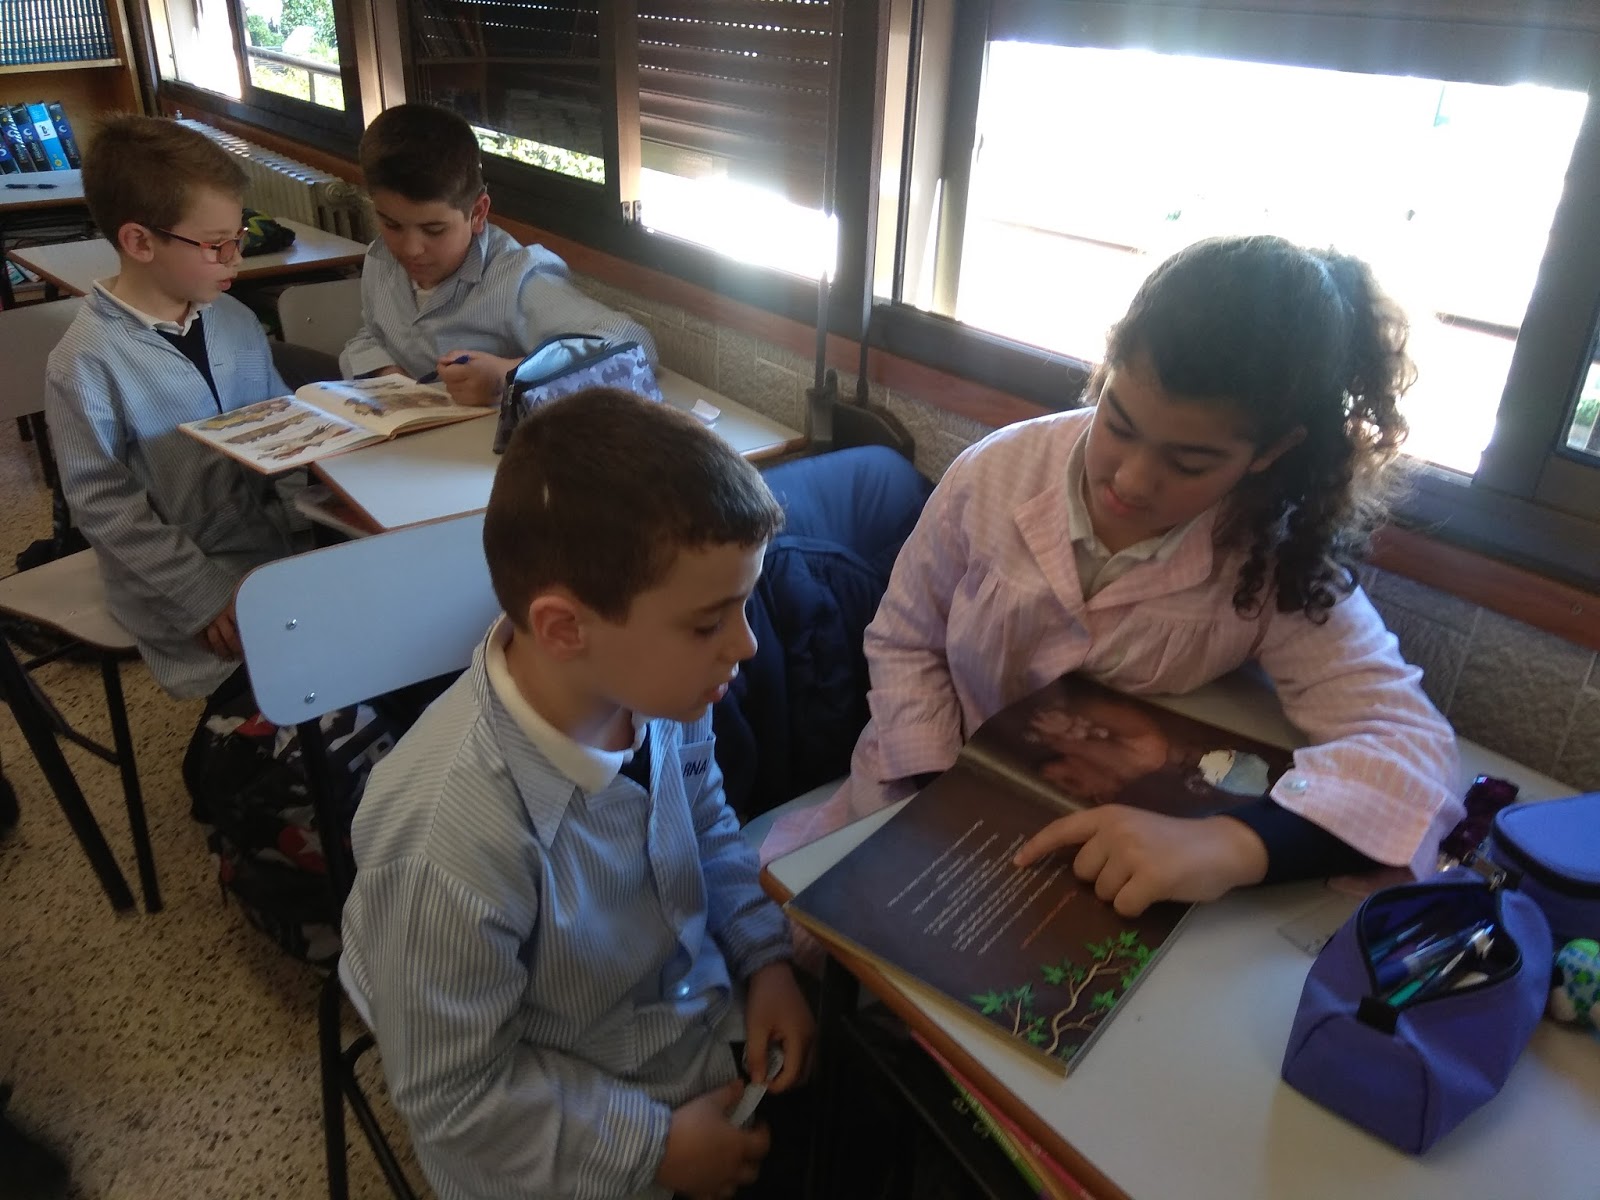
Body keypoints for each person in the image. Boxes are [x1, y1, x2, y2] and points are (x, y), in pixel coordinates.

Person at [763, 234, 1463, 919]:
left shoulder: (1270, 553)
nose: (1129, 481)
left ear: (1270, 452)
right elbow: (904, 637)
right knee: (821, 937)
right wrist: (941, 782)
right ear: (1109, 369)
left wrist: (1234, 846)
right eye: (1119, 424)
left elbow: (1411, 749)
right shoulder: (995, 475)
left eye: (1188, 463)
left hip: (1097, 839)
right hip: (922, 783)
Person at [338, 388, 815, 1200]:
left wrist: (764, 958)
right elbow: (457, 1095)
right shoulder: (446, 838)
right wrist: (655, 1148)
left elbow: (705, 819)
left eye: (745, 607)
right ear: (564, 629)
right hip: (568, 1140)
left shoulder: (662, 689)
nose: (745, 645)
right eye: (710, 622)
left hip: (689, 1036)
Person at [45, 115, 298, 702]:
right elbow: (107, 510)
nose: (236, 258)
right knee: (284, 684)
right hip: (182, 581)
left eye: (239, 237)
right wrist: (203, 595)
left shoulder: (234, 319)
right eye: (216, 245)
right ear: (140, 242)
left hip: (272, 546)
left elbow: (283, 425)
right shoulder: (83, 362)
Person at [338, 103, 656, 407]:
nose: (410, 249)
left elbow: (632, 343)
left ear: (477, 213)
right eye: (391, 225)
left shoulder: (517, 279)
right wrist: (388, 377)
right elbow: (371, 335)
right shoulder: (380, 259)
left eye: (434, 230)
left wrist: (509, 375)